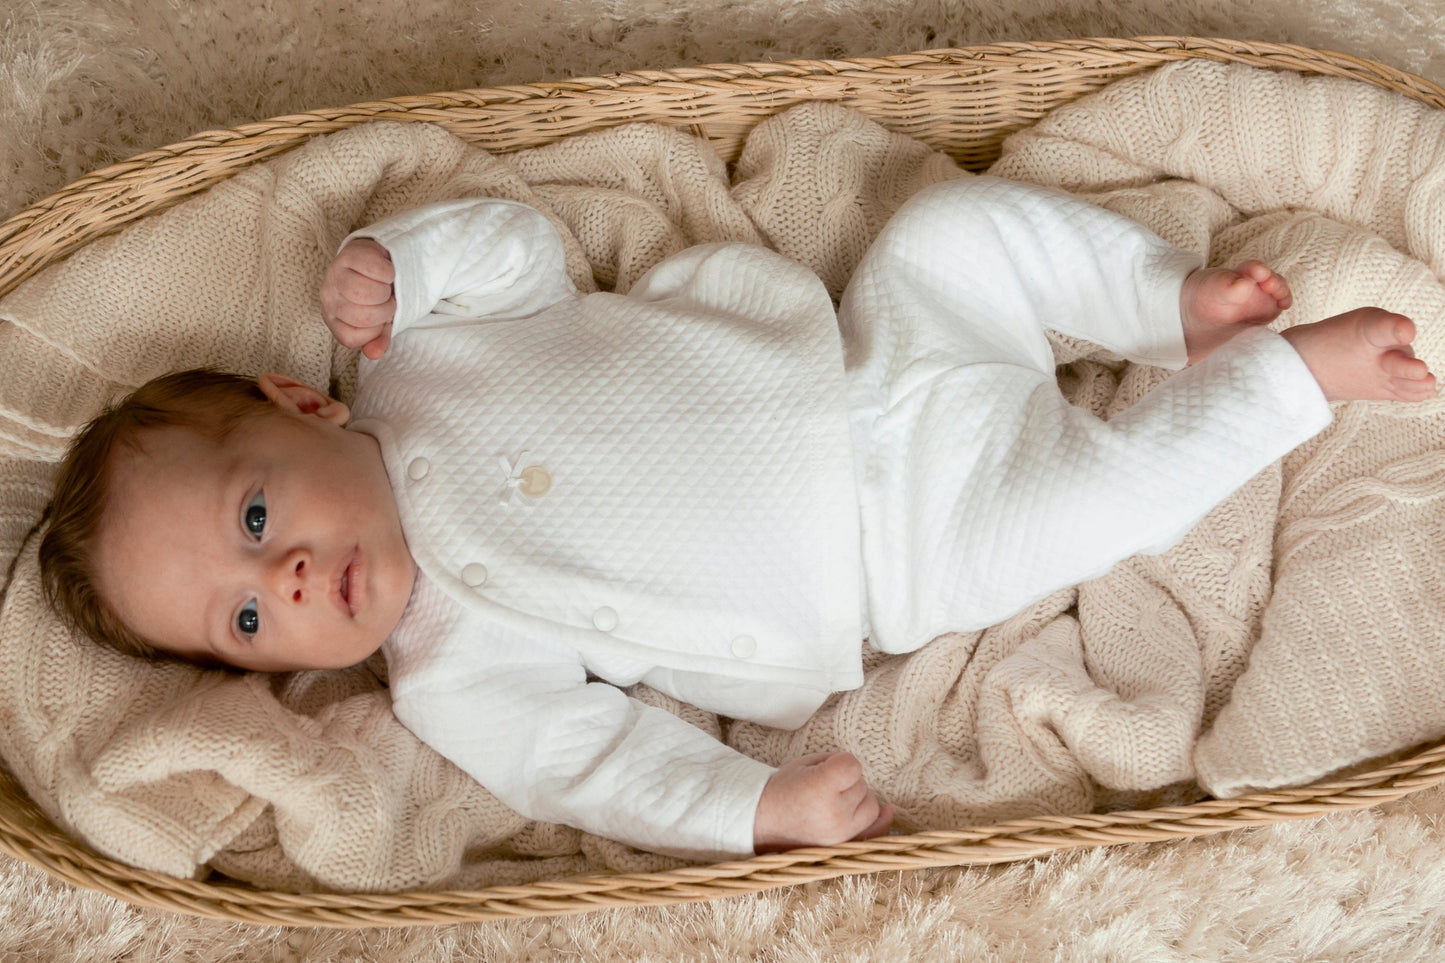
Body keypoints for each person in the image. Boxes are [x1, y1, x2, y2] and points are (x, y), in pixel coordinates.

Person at [38, 177, 1436, 860]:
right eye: (240, 614)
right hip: (901, 553)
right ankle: (1285, 385)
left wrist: (400, 262)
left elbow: (521, 245)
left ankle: (1163, 304)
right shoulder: (454, 669)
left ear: (302, 402)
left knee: (953, 233)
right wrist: (750, 806)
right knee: (1089, 511)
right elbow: (591, 765)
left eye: (256, 510)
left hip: (870, 360)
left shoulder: (423, 352)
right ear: (268, 670)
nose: (281, 571)